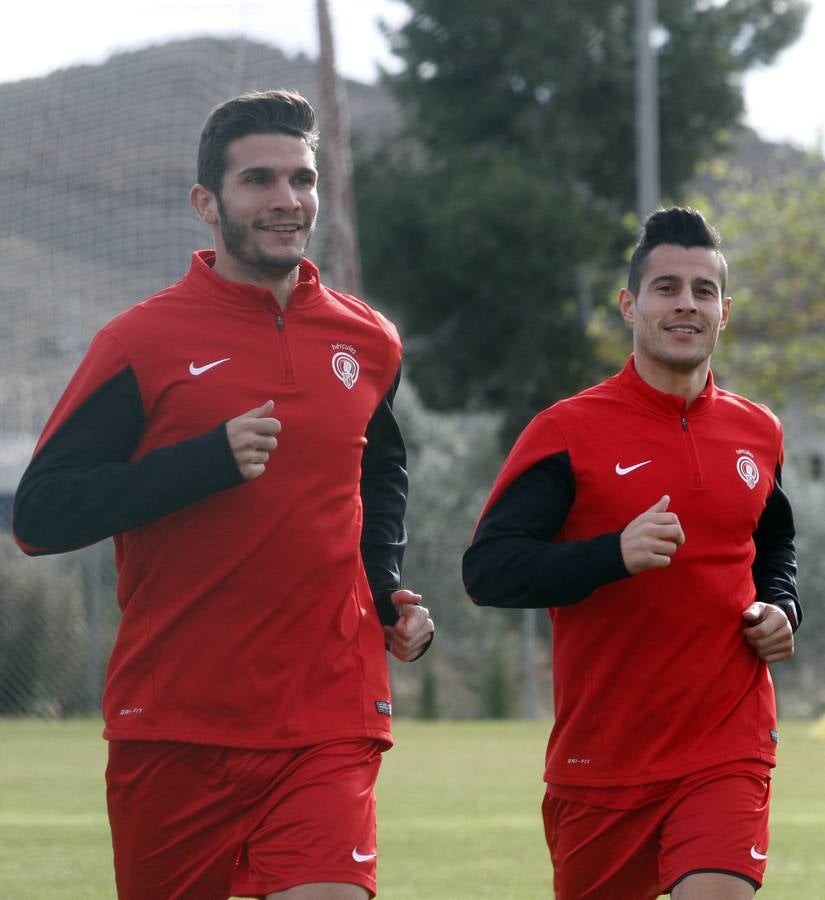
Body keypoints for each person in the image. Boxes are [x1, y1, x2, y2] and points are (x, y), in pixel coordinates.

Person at [13, 89, 433, 900]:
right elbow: (39, 516)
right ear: (207, 203)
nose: (286, 201)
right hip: (175, 725)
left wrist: (382, 589)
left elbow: (378, 473)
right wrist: (202, 461)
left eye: (302, 180)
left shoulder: (368, 340)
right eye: (258, 181)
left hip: (329, 716)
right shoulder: (141, 341)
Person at [463, 207, 800, 900]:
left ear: (723, 311)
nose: (685, 304)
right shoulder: (567, 431)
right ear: (630, 304)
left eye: (702, 291)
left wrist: (780, 604)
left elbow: (773, 541)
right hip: (602, 761)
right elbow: (487, 570)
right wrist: (610, 554)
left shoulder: (756, 432)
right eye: (666, 287)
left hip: (726, 745)